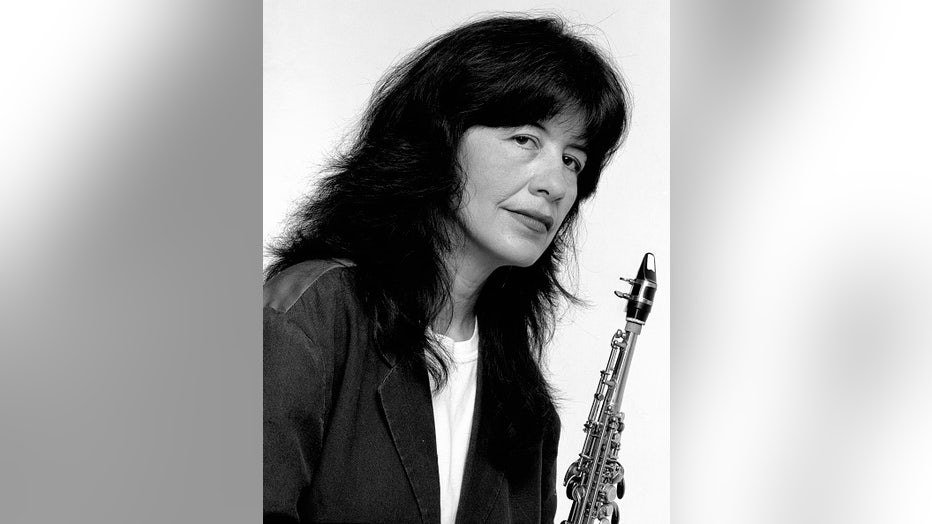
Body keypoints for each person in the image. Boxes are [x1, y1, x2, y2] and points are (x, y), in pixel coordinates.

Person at [263, 14, 629, 524]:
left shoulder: (525, 405)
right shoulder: (311, 314)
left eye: (574, 159)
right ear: (439, 135)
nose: (556, 184)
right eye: (526, 139)